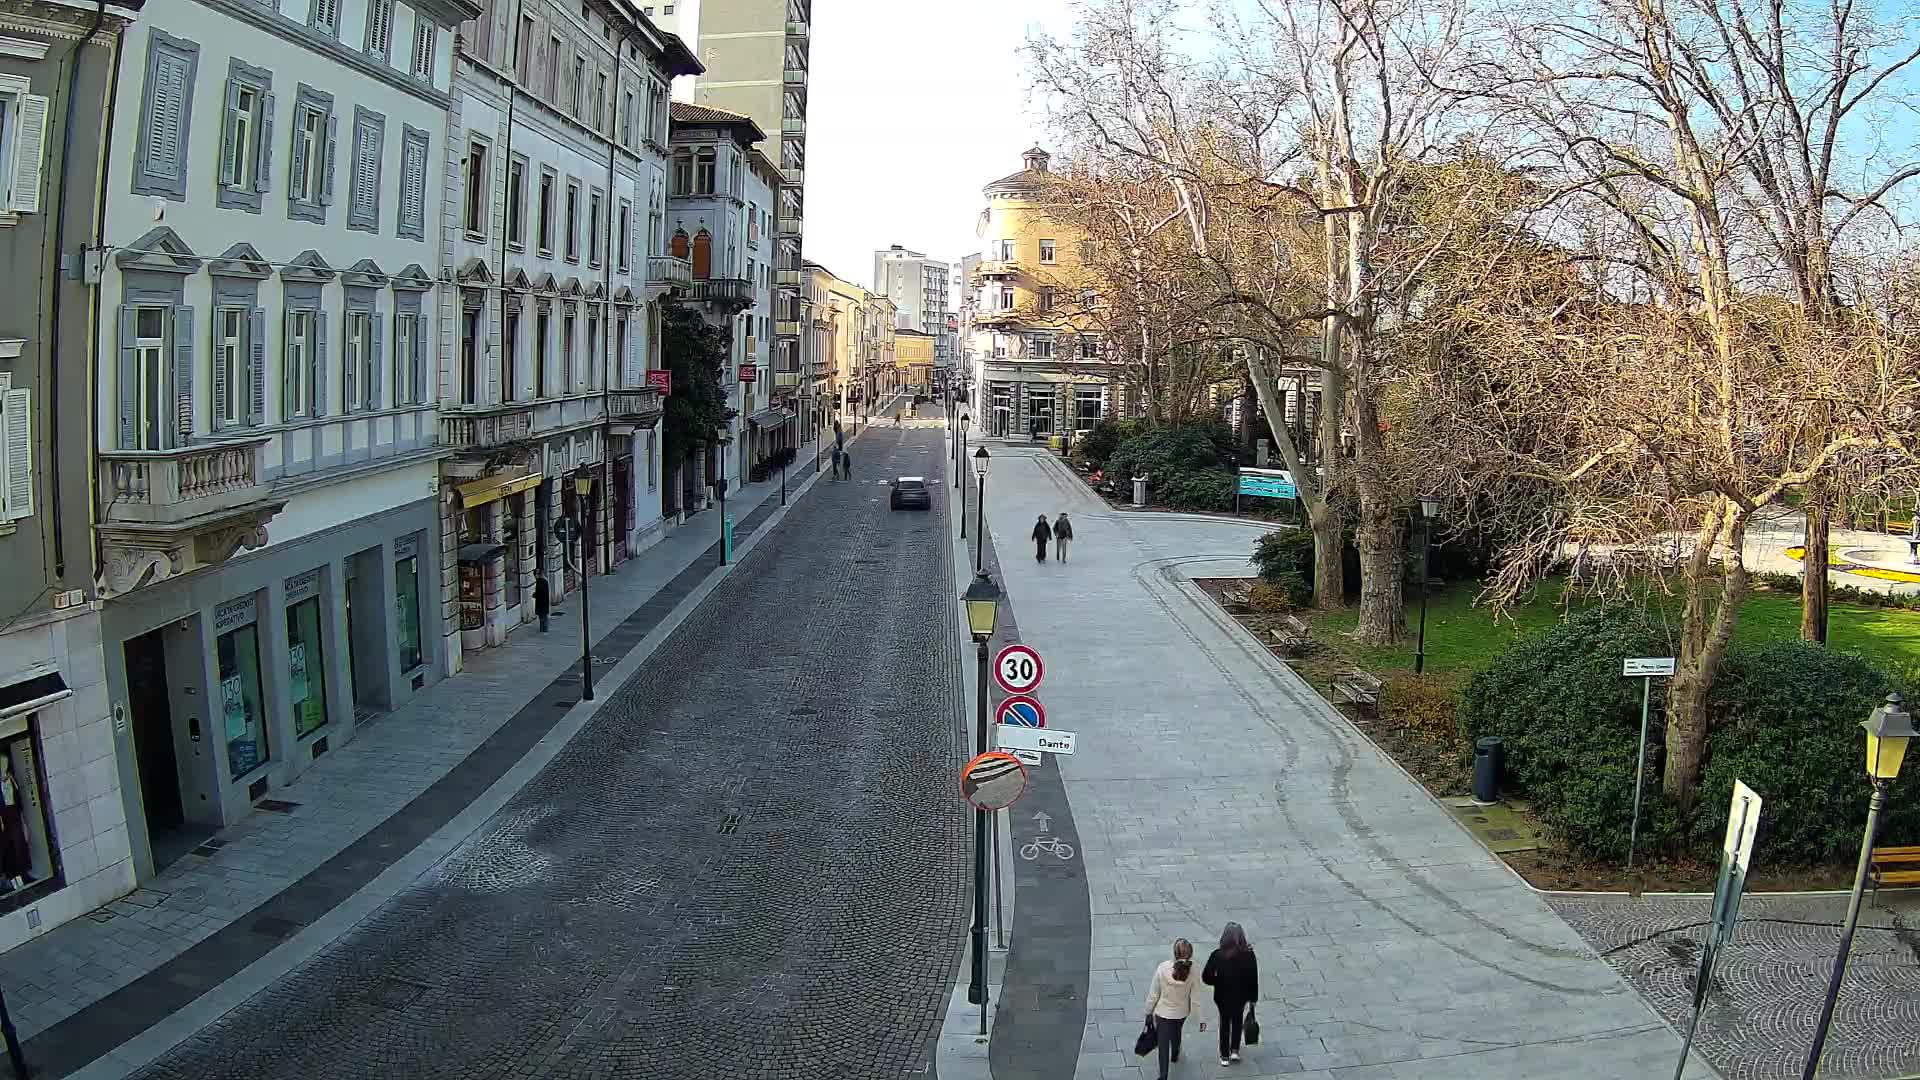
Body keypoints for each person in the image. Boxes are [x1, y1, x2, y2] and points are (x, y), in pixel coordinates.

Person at [1144, 938, 1207, 1080]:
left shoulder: (1162, 968)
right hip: (1181, 1012)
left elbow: (1153, 995)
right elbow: (1196, 999)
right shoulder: (1193, 972)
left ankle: (1163, 1076)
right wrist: (1201, 1019)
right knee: (1177, 1031)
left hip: (1163, 1013)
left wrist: (1148, 1011)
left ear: (1174, 953)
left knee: (1163, 1043)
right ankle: (1176, 1052)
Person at [1202, 922, 1259, 1066]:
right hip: (1241, 996)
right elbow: (1253, 978)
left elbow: (1206, 977)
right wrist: (1253, 998)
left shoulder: (1217, 955)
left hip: (1222, 996)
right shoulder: (1249, 955)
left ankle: (1224, 1055)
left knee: (1224, 1021)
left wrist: (1218, 981)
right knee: (1237, 1019)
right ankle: (1234, 1050)